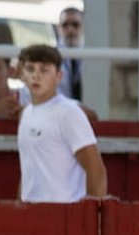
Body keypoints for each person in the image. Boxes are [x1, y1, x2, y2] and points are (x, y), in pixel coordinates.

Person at [16, 44, 107, 203]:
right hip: (30, 211)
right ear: (21, 74)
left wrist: (91, 215)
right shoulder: (26, 114)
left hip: (65, 212)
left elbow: (96, 171)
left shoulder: (69, 113)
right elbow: (29, 169)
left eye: (44, 70)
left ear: (59, 76)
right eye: (30, 69)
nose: (36, 76)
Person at [57, 7, 83, 101]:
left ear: (83, 27)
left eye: (75, 25)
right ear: (58, 28)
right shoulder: (50, 57)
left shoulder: (92, 54)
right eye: (65, 25)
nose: (70, 30)